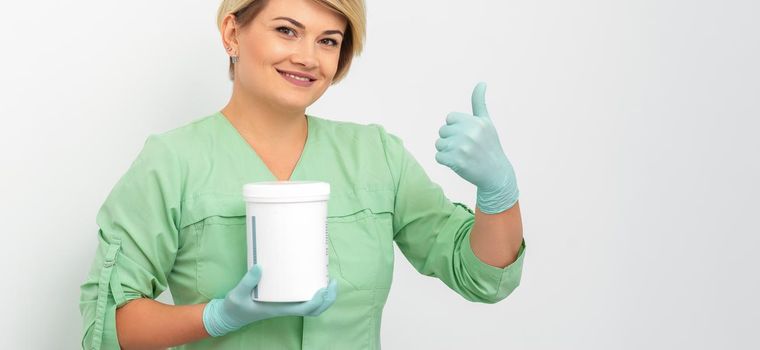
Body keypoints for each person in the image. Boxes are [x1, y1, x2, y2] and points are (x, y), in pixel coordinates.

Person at [77, 0, 526, 348]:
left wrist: (497, 191)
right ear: (232, 31)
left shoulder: (376, 156)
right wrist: (215, 317)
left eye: (328, 40)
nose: (308, 57)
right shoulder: (171, 162)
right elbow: (108, 325)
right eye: (287, 30)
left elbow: (479, 276)